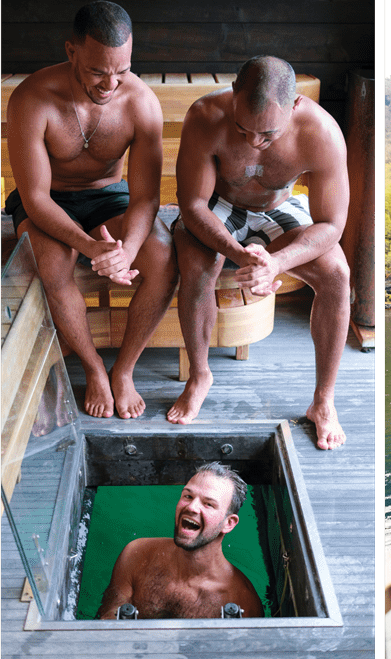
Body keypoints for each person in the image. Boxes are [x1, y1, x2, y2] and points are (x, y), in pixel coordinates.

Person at [168, 55, 350, 449]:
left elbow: (332, 224)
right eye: (242, 129)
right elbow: (193, 204)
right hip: (219, 206)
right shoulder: (205, 116)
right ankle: (199, 375)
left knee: (337, 274)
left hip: (281, 207)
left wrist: (276, 262)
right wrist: (237, 253)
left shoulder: (321, 133)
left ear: (295, 105)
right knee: (197, 264)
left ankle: (323, 401)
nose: (253, 142)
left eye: (268, 134)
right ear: (234, 94)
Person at [5, 1, 176, 419]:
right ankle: (93, 365)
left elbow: (145, 198)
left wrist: (126, 251)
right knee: (53, 263)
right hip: (48, 199)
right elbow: (35, 198)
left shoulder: (141, 102)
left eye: (122, 71)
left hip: (107, 196)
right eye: (98, 71)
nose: (110, 84)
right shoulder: (32, 98)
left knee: (162, 255)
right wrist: (89, 246)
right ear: (71, 51)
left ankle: (124, 369)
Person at [96, 462, 263, 619]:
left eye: (208, 504)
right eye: (188, 496)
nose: (191, 507)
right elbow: (106, 621)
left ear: (228, 523)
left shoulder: (242, 600)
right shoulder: (136, 555)